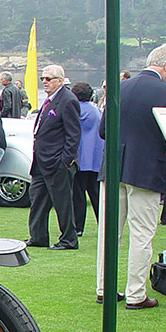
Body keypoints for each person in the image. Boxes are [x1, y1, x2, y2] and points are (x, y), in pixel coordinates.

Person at [95, 43, 166, 309]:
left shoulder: (119, 86)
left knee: (108, 233)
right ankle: (135, 294)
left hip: (112, 168)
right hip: (145, 171)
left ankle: (104, 288)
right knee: (142, 234)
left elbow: (103, 130)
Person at [27, 64, 81, 250]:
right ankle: (38, 236)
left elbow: (73, 134)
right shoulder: (50, 100)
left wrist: (65, 161)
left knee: (62, 202)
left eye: (48, 79)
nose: (44, 82)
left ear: (60, 80)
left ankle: (68, 239)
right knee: (37, 200)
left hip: (57, 162)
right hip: (41, 161)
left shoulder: (68, 100)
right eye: (43, 78)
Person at [71, 82, 104, 237]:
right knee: (96, 194)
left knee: (78, 194)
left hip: (82, 157)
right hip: (96, 157)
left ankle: (78, 226)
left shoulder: (77, 109)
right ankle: (103, 224)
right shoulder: (95, 109)